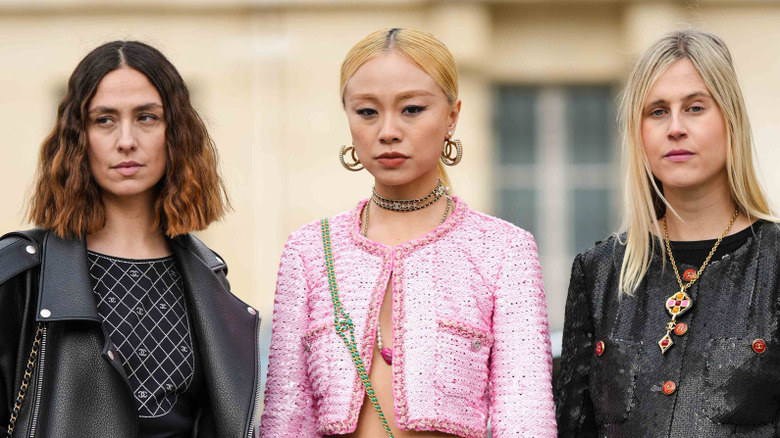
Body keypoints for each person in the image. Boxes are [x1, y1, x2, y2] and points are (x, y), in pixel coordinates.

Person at [260, 28, 556, 438]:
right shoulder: (309, 249)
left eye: (412, 109)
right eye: (366, 112)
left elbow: (527, 416)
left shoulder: (503, 249)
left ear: (452, 115)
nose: (388, 131)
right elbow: (284, 417)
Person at [0, 41, 261, 438]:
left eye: (147, 117)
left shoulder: (208, 276)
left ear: (175, 133)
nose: (126, 140)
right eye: (104, 119)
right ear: (77, 137)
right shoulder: (20, 272)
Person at [555, 29, 780, 436]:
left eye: (695, 108)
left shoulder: (776, 263)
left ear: (730, 119)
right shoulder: (598, 273)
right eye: (657, 111)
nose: (675, 127)